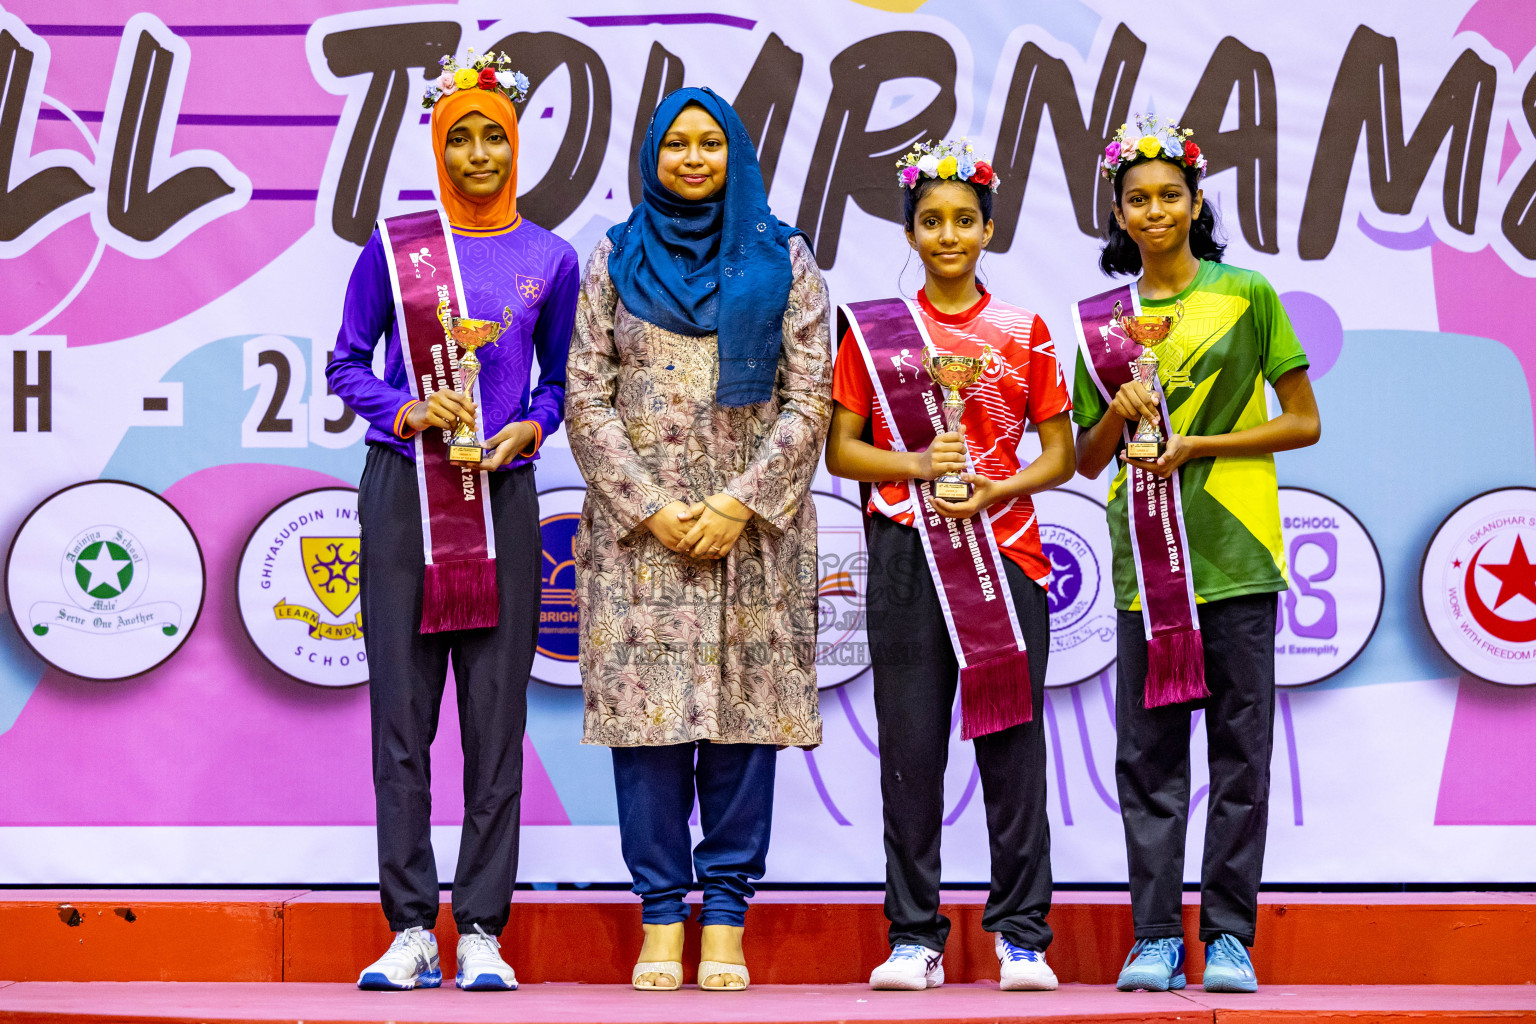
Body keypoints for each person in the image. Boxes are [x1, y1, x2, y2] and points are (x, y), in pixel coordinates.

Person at [565, 87, 831, 993]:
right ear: (652, 156)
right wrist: (648, 506)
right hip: (641, 541)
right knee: (647, 732)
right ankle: (658, 916)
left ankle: (724, 915)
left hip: (752, 539)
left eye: (709, 144)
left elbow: (810, 401)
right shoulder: (613, 256)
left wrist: (738, 505)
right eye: (675, 144)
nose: (691, 158)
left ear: (736, 154)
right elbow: (585, 395)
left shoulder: (780, 255)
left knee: (742, 728)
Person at [326, 51, 579, 992]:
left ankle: (479, 927)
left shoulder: (549, 259)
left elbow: (557, 384)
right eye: (460, 138)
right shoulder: (394, 249)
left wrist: (529, 426)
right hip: (402, 497)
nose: (478, 154)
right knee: (401, 719)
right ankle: (407, 927)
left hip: (502, 496)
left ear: (518, 147)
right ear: (438, 147)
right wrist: (403, 408)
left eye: (494, 138)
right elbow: (346, 364)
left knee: (495, 722)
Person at [1069, 116, 1321, 994]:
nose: (1155, 211)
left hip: (1237, 554)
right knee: (1147, 757)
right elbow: (1085, 456)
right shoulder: (1105, 323)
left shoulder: (1245, 293)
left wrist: (1198, 449)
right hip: (1145, 568)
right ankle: (1153, 939)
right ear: (1118, 212)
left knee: (1241, 753)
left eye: (1169, 195)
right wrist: (1117, 409)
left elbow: (1303, 421)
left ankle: (1228, 938)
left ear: (1196, 201)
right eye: (1137, 200)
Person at [823, 139, 1075, 993]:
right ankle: (913, 936)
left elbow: (1062, 454)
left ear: (989, 229)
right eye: (930, 222)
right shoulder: (875, 335)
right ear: (911, 233)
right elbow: (844, 453)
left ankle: (1023, 936)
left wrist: (998, 485)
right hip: (903, 552)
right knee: (911, 747)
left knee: (1011, 748)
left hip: (1004, 554)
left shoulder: (1024, 331)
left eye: (964, 220)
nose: (948, 235)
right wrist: (920, 469)